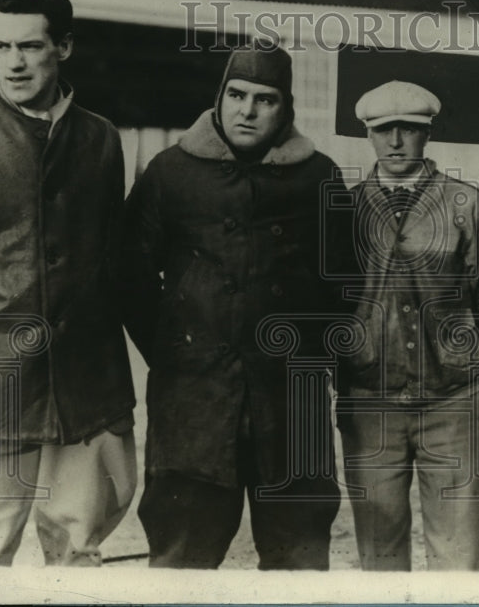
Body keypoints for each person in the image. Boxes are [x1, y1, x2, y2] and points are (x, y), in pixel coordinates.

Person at [0, 0, 137, 566]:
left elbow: (110, 260)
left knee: (78, 546)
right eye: (2, 47)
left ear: (63, 47)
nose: (14, 63)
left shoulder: (100, 139)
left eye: (30, 46)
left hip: (83, 381)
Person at [123, 42, 347, 569]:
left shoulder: (319, 176)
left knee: (300, 561)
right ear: (219, 98)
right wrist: (176, 347)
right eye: (236, 95)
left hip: (291, 404)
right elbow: (129, 272)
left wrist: (311, 358)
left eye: (264, 99)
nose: (246, 111)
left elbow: (345, 282)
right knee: (181, 559)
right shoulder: (171, 172)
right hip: (194, 403)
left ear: (285, 107)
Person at [337, 81, 479, 571]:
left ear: (427, 133)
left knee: (460, 553)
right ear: (368, 134)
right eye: (383, 130)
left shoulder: (467, 204)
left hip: (450, 404)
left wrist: (469, 360)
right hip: (369, 403)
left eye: (408, 129)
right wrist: (351, 360)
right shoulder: (343, 209)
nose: (395, 141)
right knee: (379, 551)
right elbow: (325, 301)